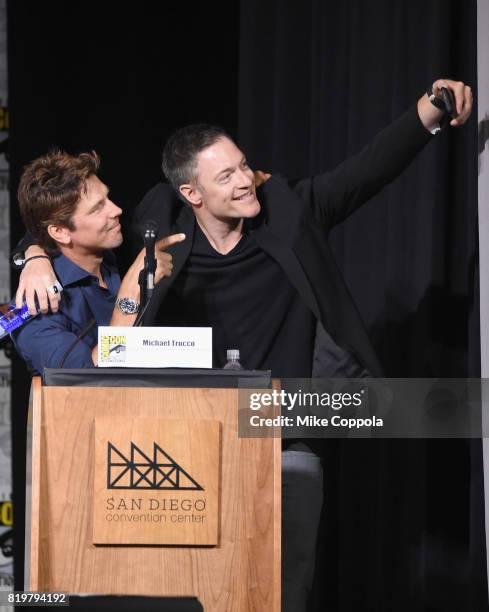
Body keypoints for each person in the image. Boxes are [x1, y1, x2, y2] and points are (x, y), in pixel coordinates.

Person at [14, 79, 473, 610]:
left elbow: (366, 170)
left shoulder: (282, 214)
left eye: (244, 166)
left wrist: (431, 109)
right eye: (225, 175)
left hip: (287, 427)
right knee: (204, 587)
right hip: (183, 447)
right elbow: (98, 368)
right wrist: (35, 254)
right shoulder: (146, 247)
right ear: (193, 194)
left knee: (285, 584)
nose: (113, 209)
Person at [12, 150, 184, 375]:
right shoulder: (35, 309)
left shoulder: (116, 249)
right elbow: (83, 383)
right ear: (61, 233)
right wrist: (129, 296)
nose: (116, 210)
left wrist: (33, 252)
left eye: (107, 198)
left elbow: (165, 193)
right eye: (97, 208)